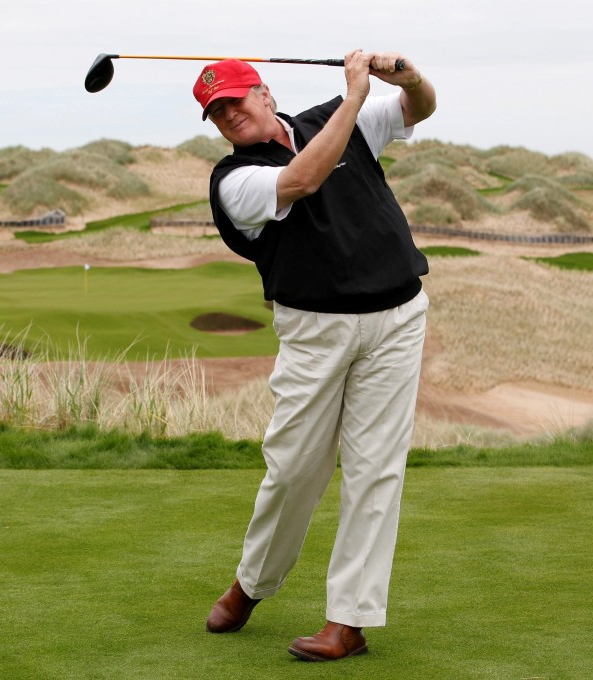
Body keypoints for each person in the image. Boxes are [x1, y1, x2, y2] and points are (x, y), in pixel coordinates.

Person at [194, 48, 436, 662]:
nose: (227, 116)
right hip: (315, 331)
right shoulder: (233, 182)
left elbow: (418, 109)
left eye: (235, 101)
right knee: (295, 468)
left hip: (397, 317)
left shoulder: (336, 115)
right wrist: (354, 96)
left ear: (266, 94)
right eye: (214, 111)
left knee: (376, 469)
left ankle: (348, 622)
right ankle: (253, 584)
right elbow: (303, 178)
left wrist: (409, 78)